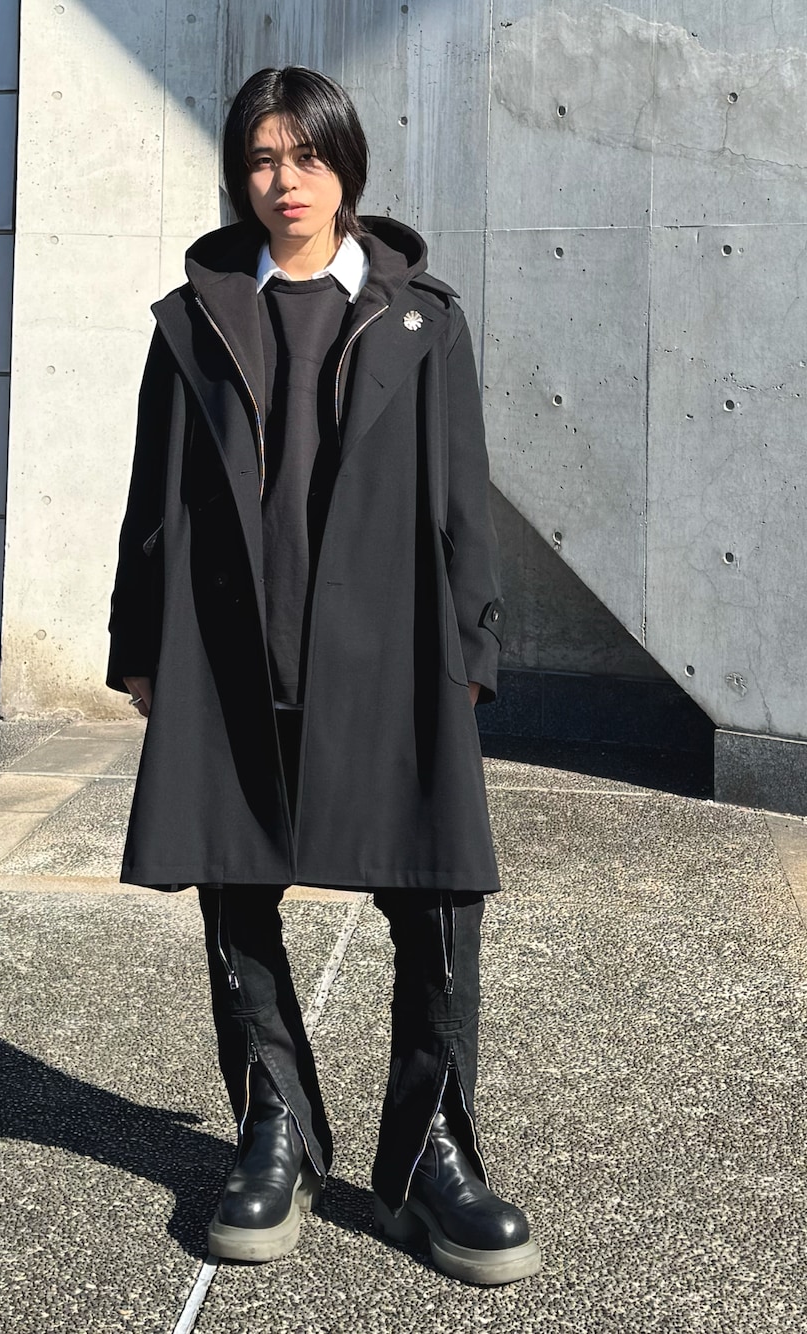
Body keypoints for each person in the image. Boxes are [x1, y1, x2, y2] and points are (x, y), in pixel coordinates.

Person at [107, 66, 540, 1286]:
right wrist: (139, 647)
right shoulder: (191, 320)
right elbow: (152, 497)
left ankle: (430, 1151)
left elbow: (460, 500)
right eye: (260, 158)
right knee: (235, 885)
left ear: (345, 165)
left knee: (435, 890)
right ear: (237, 176)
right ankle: (275, 1125)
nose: (283, 180)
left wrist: (472, 651)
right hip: (228, 645)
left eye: (305, 155)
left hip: (394, 648)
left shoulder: (422, 318)